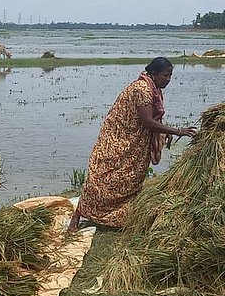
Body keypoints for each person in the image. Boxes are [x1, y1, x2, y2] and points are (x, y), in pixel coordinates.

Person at [69, 57, 196, 231]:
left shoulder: (154, 88)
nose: (168, 79)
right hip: (118, 139)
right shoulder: (142, 89)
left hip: (134, 141)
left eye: (170, 76)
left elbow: (152, 119)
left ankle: (117, 216)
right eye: (165, 75)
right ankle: (77, 216)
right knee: (103, 177)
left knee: (129, 180)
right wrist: (177, 131)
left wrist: (164, 131)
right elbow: (147, 121)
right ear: (154, 73)